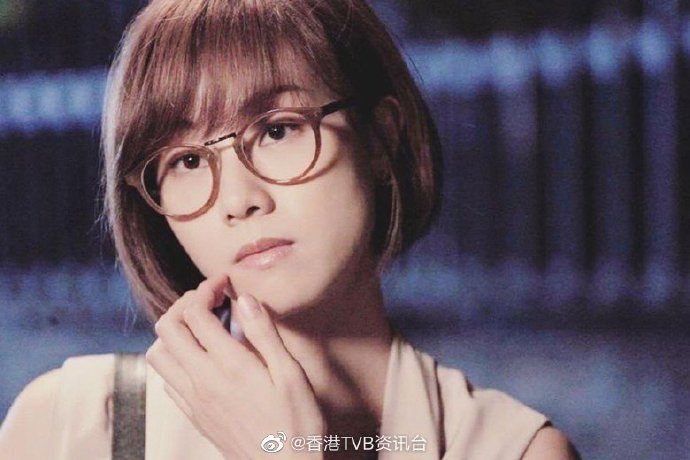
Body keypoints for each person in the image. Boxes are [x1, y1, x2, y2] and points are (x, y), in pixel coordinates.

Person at [0, 0, 579, 458]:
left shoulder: (513, 450)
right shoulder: (73, 427)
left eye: (277, 130)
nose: (239, 201)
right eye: (188, 160)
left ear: (381, 139)